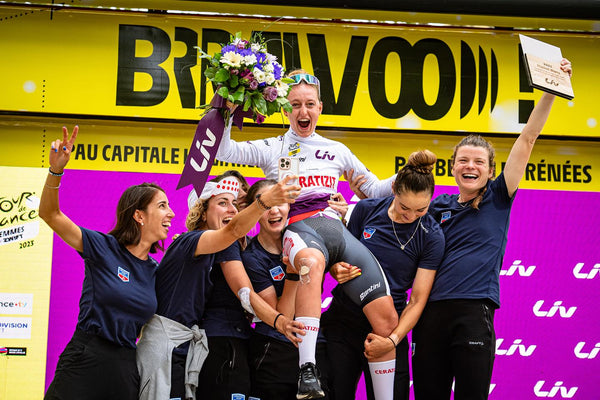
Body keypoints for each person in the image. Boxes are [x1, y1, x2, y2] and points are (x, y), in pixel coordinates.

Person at [216, 70, 399, 399]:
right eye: (296, 105)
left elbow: (373, 189)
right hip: (300, 231)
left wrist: (406, 174)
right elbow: (224, 151)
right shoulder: (274, 146)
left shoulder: (337, 149)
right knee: (310, 264)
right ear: (286, 109)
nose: (303, 112)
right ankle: (307, 369)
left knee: (387, 321)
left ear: (320, 108)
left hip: (336, 234)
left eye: (310, 104)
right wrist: (227, 107)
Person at [411, 60, 572, 400]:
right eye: (463, 161)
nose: (470, 166)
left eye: (478, 162)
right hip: (428, 316)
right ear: (452, 167)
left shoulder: (499, 196)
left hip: (473, 314)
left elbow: (528, 138)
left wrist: (550, 90)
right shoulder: (436, 205)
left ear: (490, 170)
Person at [136, 173, 303, 400]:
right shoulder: (194, 240)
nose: (232, 210)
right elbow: (245, 291)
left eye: (234, 204)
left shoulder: (218, 245)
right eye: (222, 203)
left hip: (188, 346)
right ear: (202, 211)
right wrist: (280, 321)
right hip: (169, 347)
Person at [40, 126, 175, 400]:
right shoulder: (103, 247)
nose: (170, 213)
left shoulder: (155, 272)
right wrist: (56, 171)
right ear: (139, 215)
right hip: (85, 359)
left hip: (125, 366)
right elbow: (50, 214)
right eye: (162, 206)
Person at [322, 150, 445, 400]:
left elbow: (417, 300)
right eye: (404, 207)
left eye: (421, 209)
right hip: (343, 322)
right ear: (394, 191)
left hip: (388, 327)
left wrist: (392, 340)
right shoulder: (366, 209)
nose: (410, 216)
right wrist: (336, 268)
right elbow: (341, 256)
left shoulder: (432, 236)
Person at [243, 180, 349, 400]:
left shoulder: (309, 239)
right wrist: (294, 273)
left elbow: (342, 248)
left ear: (290, 204)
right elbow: (282, 317)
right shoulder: (252, 257)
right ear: (254, 211)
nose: (274, 210)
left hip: (314, 346)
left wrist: (342, 222)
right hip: (274, 350)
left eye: (280, 202)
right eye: (266, 204)